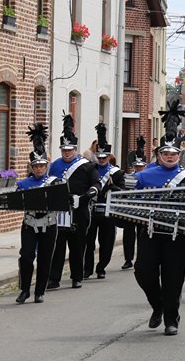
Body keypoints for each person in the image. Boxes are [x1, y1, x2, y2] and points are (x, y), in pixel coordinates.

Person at [133, 137, 185, 335]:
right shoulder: (144, 176)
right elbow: (134, 201)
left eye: (174, 154)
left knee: (174, 276)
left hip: (178, 234)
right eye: (166, 154)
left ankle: (171, 320)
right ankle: (157, 305)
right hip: (150, 231)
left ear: (179, 156)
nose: (170, 157)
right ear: (159, 156)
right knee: (143, 271)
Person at [47, 113, 100, 290]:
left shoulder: (86, 165)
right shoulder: (54, 165)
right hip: (60, 210)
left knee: (77, 245)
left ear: (75, 149)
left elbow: (96, 183)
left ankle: (76, 276)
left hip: (79, 209)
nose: (66, 153)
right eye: (64, 150)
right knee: (58, 245)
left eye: (69, 150)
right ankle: (54, 278)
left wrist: (89, 194)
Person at [15, 124, 57, 304]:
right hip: (29, 224)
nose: (39, 169)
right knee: (26, 257)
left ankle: (40, 291)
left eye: (42, 165)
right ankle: (24, 289)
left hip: (49, 223)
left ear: (46, 165)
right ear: (31, 166)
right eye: (36, 166)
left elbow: (62, 199)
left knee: (45, 258)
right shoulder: (24, 183)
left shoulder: (56, 182)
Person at [84, 124, 125, 280]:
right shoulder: (89, 169)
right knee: (88, 242)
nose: (101, 160)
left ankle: (101, 267)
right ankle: (87, 269)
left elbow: (122, 192)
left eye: (104, 157)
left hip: (108, 212)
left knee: (106, 242)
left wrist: (113, 187)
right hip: (91, 210)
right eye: (99, 157)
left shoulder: (117, 172)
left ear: (109, 157)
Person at [120, 157, 145, 270]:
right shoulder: (128, 176)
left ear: (145, 166)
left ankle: (141, 259)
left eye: (141, 166)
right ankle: (128, 259)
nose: (138, 168)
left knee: (142, 235)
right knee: (128, 235)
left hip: (144, 209)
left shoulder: (149, 177)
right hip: (131, 208)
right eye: (137, 166)